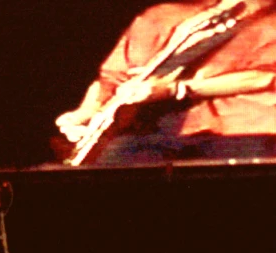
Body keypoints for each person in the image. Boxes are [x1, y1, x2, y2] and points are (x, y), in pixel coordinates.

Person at [55, 0, 276, 165]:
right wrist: (87, 112)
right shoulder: (162, 16)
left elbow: (264, 76)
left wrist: (176, 89)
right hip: (148, 136)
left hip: (238, 133)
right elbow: (113, 78)